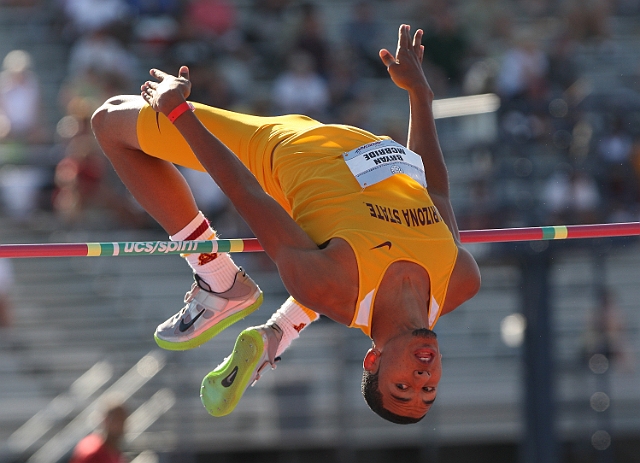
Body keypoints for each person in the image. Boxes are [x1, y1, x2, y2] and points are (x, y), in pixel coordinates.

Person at [91, 24, 481, 424]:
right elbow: (436, 192)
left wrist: (177, 112)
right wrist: (420, 94)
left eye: (404, 387)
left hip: (276, 150)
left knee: (109, 120)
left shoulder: (330, 285)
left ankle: (217, 278)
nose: (421, 377)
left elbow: (247, 192)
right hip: (352, 140)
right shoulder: (459, 280)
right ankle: (276, 333)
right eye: (428, 390)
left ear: (372, 360)